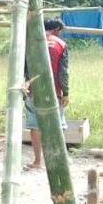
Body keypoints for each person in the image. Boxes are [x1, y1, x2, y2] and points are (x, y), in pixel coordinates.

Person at [24, 18, 70, 170]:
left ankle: (38, 161)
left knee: (35, 125)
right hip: (54, 90)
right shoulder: (61, 44)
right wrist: (66, 93)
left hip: (33, 89)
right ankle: (60, 159)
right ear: (56, 29)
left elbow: (24, 67)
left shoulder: (30, 41)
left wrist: (25, 85)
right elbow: (63, 72)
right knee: (58, 124)